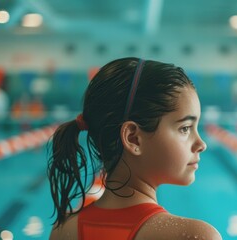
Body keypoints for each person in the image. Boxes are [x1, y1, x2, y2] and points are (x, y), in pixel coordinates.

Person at [48, 57, 222, 240]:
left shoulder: (64, 231)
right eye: (185, 128)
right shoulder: (195, 236)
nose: (201, 144)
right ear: (133, 138)